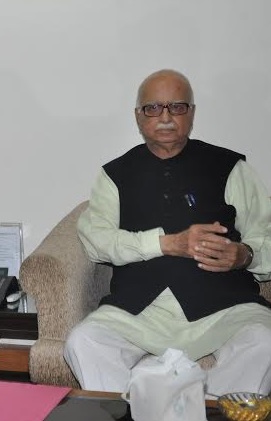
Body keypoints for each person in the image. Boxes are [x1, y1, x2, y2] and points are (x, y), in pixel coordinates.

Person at [64, 69, 271, 396]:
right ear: (138, 116)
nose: (165, 117)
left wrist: (245, 255)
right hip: (140, 311)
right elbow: (96, 242)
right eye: (153, 108)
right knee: (84, 342)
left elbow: (266, 235)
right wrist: (164, 243)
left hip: (224, 308)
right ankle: (134, 413)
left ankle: (211, 409)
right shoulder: (114, 175)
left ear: (191, 113)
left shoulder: (232, 168)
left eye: (177, 107)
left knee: (264, 342)